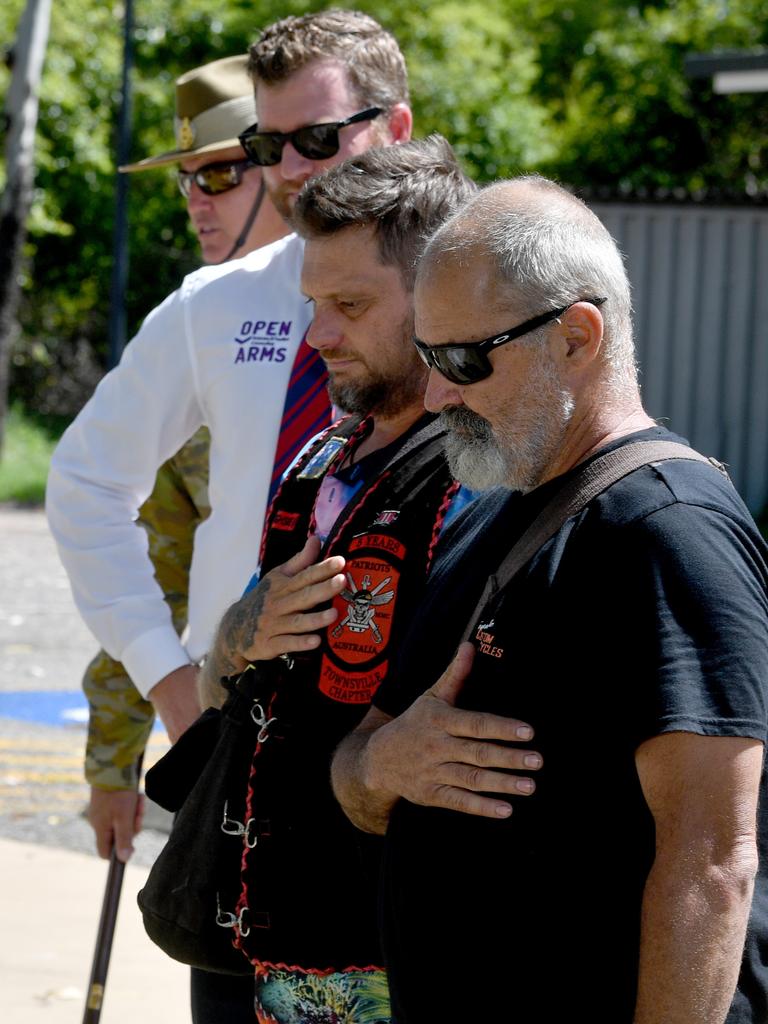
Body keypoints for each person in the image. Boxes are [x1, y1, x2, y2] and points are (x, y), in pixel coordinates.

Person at [45, 10, 413, 1022]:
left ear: (397, 125)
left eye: (317, 138)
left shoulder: (468, 289)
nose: (290, 168)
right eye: (265, 146)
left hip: (406, 762)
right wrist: (171, 691)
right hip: (246, 780)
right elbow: (85, 487)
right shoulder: (216, 306)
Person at [332, 176, 768, 1022]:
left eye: (463, 360)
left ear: (578, 336)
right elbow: (356, 771)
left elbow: (714, 863)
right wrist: (388, 765)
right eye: (428, 358)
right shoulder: (498, 509)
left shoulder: (669, 530)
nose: (437, 397)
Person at [192, 136, 475, 1024]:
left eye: (349, 305)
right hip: (248, 943)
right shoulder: (318, 459)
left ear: (442, 297)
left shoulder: (485, 478)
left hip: (388, 961)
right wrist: (241, 632)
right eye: (313, 303)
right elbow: (220, 688)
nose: (317, 338)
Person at [82, 53, 290, 862]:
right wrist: (113, 760)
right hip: (227, 724)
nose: (197, 202)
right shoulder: (200, 336)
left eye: (220, 175)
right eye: (187, 180)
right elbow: (150, 568)